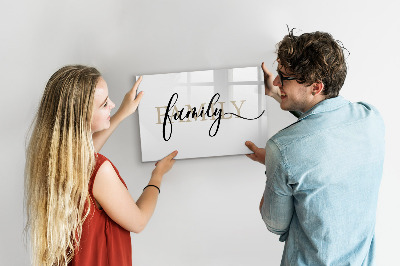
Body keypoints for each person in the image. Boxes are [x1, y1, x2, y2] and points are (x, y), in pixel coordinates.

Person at [245, 30, 385, 265]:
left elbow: (274, 224)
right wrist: (278, 94)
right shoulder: (371, 118)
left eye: (284, 77)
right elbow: (325, 124)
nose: (277, 81)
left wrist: (273, 162)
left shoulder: (282, 149)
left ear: (316, 87)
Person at [24, 65, 177, 266]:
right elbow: (138, 221)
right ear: (81, 117)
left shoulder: (53, 160)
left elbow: (86, 157)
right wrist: (157, 175)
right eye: (105, 104)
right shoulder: (99, 170)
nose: (112, 104)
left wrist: (122, 113)